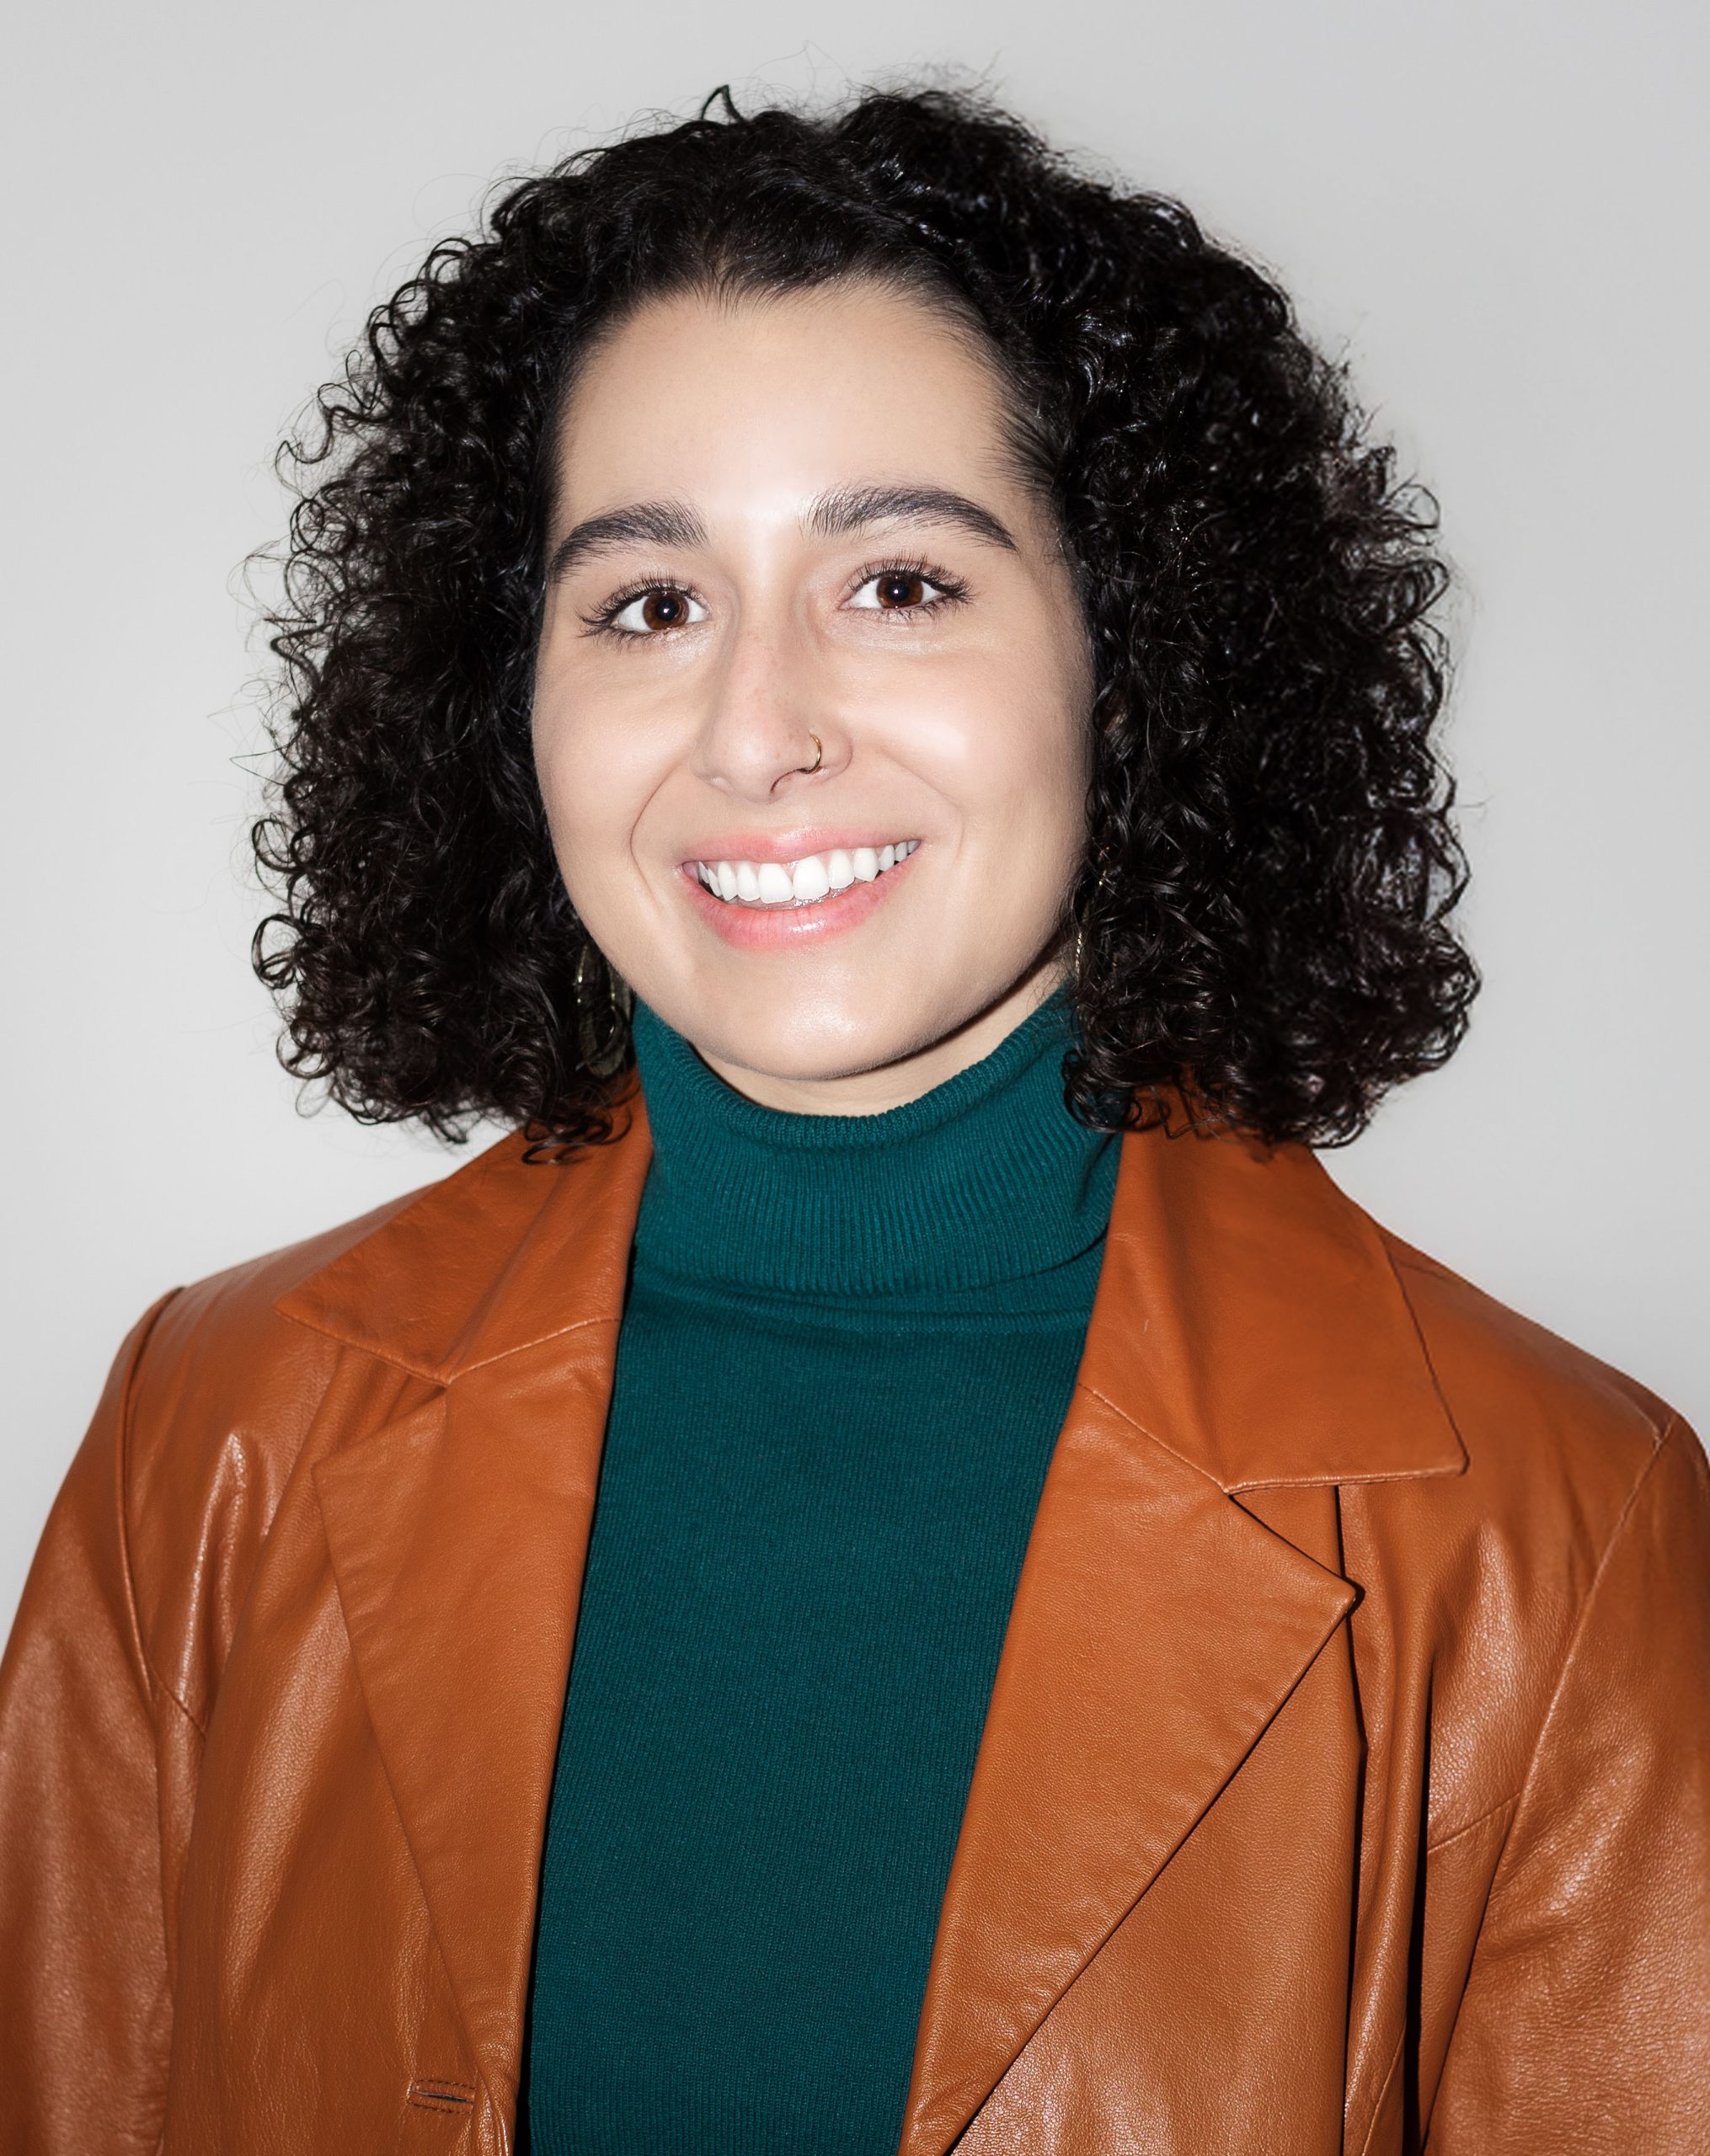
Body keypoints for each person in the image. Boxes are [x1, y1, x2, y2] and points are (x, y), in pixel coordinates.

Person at [1, 82, 1705, 2156]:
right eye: (646, 603)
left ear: (1130, 652)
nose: (755, 728)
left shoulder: (1558, 1526)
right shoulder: (217, 1429)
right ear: (504, 699)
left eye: (898, 581)